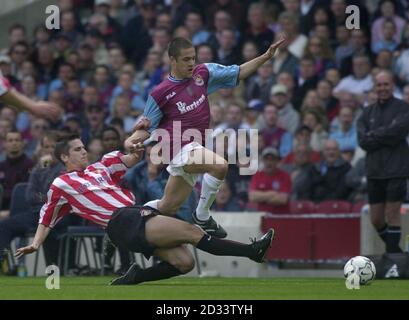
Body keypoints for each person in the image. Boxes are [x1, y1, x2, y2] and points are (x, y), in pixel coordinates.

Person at [15, 134, 274, 286]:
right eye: (78, 149)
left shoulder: (101, 167)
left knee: (184, 263)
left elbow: (129, 159)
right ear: (64, 157)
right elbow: (46, 216)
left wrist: (136, 149)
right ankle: (252, 251)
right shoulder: (61, 183)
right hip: (121, 221)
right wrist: (36, 244)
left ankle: (136, 276)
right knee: (191, 231)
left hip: (133, 216)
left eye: (84, 147)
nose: (84, 151)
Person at [125, 36, 285, 238]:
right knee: (220, 165)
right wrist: (131, 140)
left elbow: (239, 71)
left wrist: (266, 56)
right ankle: (202, 215)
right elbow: (145, 126)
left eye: (193, 58)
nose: (191, 63)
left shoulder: (203, 73)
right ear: (172, 60)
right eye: (185, 59)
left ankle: (124, 220)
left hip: (193, 149)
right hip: (177, 149)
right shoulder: (160, 93)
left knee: (167, 206)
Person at [357, 71, 409, 253]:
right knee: (376, 219)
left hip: (396, 170)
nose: (382, 88)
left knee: (393, 213)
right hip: (374, 171)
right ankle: (398, 254)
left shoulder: (403, 108)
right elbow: (362, 141)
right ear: (375, 87)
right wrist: (385, 134)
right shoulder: (367, 112)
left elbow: (399, 132)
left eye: (386, 84)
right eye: (379, 85)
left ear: (393, 85)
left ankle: (392, 259)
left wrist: (374, 135)